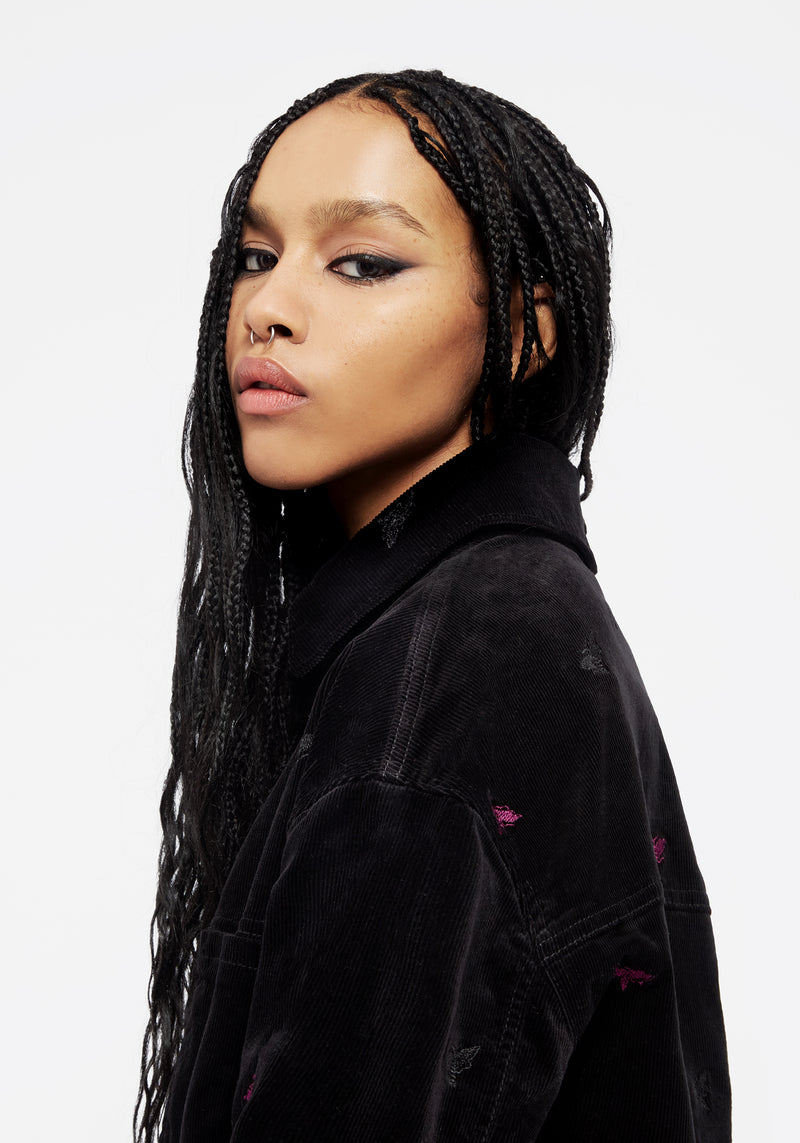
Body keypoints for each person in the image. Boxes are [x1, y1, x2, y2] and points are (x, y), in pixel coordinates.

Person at [134, 69, 731, 1142]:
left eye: (362, 263)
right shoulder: (503, 614)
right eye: (256, 257)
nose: (266, 309)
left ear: (524, 333)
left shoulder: (454, 666)